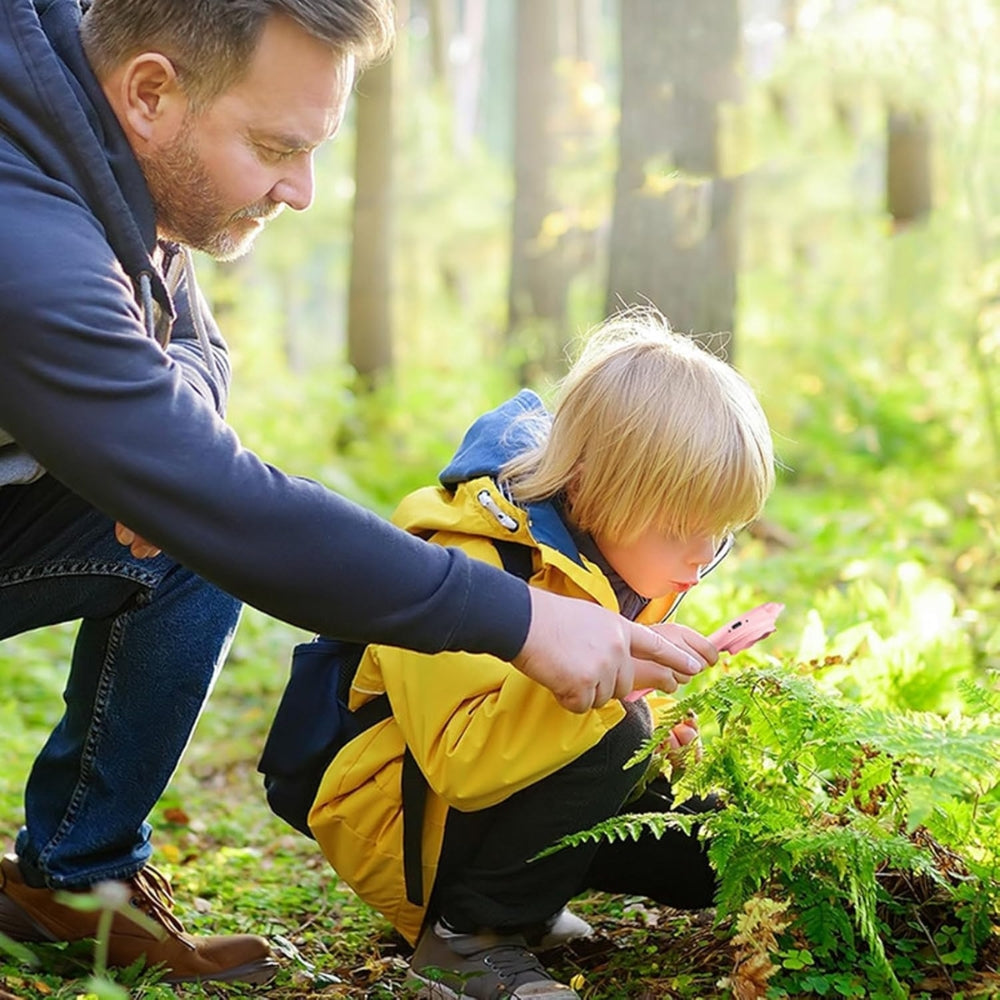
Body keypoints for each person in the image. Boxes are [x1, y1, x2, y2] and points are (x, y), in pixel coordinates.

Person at [0, 0, 714, 987]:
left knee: (194, 539)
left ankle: (74, 882)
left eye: (315, 147)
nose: (300, 188)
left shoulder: (83, 126)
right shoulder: (24, 233)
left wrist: (158, 446)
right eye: (273, 146)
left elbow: (192, 340)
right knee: (217, 519)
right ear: (152, 92)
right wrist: (520, 620)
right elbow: (233, 505)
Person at [305, 311, 777, 1000]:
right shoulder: (465, 560)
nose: (701, 558)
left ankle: (528, 894)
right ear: (591, 486)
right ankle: (467, 937)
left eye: (721, 533)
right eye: (681, 528)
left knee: (713, 846)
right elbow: (461, 760)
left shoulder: (612, 554)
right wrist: (625, 695)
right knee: (619, 731)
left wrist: (668, 723)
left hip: (500, 794)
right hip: (407, 827)